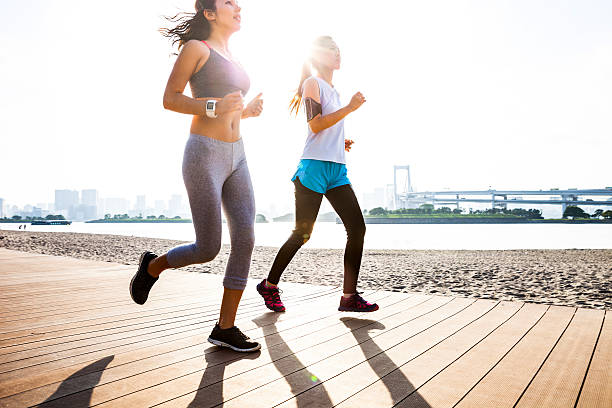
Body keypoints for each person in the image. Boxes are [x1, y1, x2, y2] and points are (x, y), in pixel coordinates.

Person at [129, 0, 263, 353]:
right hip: (204, 153)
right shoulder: (196, 48)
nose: (238, 7)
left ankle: (225, 326)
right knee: (208, 248)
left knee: (246, 238)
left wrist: (245, 112)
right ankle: (152, 267)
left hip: (239, 155)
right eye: (228, 2)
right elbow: (170, 98)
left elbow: (228, 109)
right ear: (209, 12)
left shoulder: (232, 54)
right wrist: (213, 106)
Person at [257, 36, 378, 313]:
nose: (338, 54)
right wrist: (350, 108)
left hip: (337, 170)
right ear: (318, 56)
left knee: (357, 227)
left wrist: (340, 141)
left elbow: (327, 127)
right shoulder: (313, 83)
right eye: (332, 50)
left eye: (339, 49)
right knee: (302, 233)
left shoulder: (333, 90)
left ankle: (349, 297)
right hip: (313, 169)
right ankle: (269, 286)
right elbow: (314, 125)